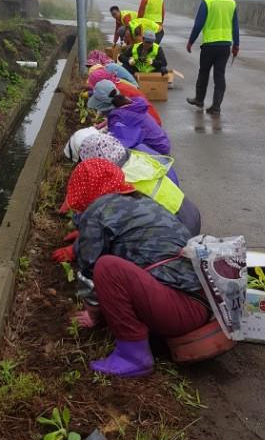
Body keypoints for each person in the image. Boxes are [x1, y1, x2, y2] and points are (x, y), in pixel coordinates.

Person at [55, 159, 210, 377]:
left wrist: (93, 313)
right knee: (114, 266)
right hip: (202, 302)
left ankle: (133, 356)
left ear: (84, 191)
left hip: (179, 311)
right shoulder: (140, 201)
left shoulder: (97, 211)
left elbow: (88, 267)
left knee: (106, 268)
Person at [77, 132, 201, 234]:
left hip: (179, 231)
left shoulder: (118, 183)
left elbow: (108, 223)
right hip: (190, 214)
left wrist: (84, 231)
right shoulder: (136, 160)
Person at [186, 0, 239, 116]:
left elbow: (198, 25)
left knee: (203, 73)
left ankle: (199, 100)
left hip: (209, 45)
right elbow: (235, 27)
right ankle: (216, 107)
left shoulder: (207, 2)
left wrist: (190, 41)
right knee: (219, 76)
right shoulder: (231, 2)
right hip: (225, 46)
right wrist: (236, 45)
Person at [88, 79, 171, 155]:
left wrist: (94, 134)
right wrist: (102, 125)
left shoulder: (118, 117)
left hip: (156, 151)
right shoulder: (131, 104)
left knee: (117, 153)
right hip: (162, 143)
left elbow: (113, 141)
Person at [87, 66, 162, 125]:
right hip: (147, 122)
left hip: (150, 123)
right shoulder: (115, 86)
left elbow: (121, 117)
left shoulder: (120, 93)